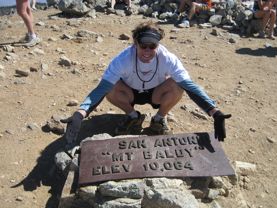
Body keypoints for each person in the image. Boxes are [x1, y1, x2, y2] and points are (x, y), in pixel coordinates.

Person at [61, 21, 231, 148]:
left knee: (178, 85)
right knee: (110, 87)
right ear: (135, 43)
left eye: (153, 46)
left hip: (156, 92)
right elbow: (101, 89)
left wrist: (214, 112)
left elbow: (190, 86)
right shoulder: (123, 59)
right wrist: (80, 113)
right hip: (130, 92)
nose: (148, 51)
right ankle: (133, 116)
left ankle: (159, 119)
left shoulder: (168, 58)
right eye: (143, 46)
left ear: (159, 45)